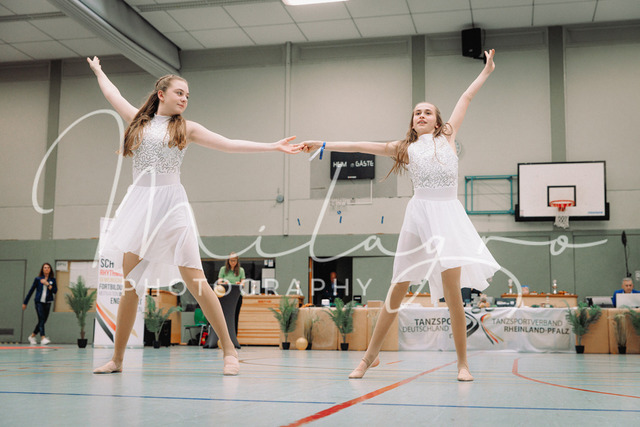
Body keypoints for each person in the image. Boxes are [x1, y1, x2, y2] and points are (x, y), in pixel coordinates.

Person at [87, 56, 301, 375]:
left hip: (172, 208)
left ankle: (229, 352)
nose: (185, 98)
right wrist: (98, 71)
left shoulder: (187, 128)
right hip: (140, 208)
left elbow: (229, 144)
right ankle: (117, 359)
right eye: (179, 93)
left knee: (198, 282)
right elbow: (112, 94)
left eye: (187, 95)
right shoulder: (138, 122)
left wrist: (272, 146)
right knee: (130, 284)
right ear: (161, 94)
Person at [302, 50, 500, 381]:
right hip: (419, 215)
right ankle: (369, 357)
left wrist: (487, 71)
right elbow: (359, 145)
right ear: (412, 122)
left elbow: (466, 97)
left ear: (437, 121)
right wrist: (323, 144)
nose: (421, 115)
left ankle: (463, 364)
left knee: (453, 295)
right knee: (397, 288)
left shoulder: (448, 137)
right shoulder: (404, 148)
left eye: (427, 112)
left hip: (448, 216)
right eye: (417, 112)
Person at [22, 263, 57, 345]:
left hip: (47, 302)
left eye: (48, 267)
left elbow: (55, 291)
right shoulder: (38, 279)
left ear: (50, 269)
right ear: (42, 269)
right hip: (39, 302)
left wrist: (47, 284)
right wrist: (25, 302)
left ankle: (32, 336)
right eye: (45, 267)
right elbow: (31, 291)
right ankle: (43, 337)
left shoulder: (53, 280)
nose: (46, 269)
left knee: (43, 320)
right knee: (41, 319)